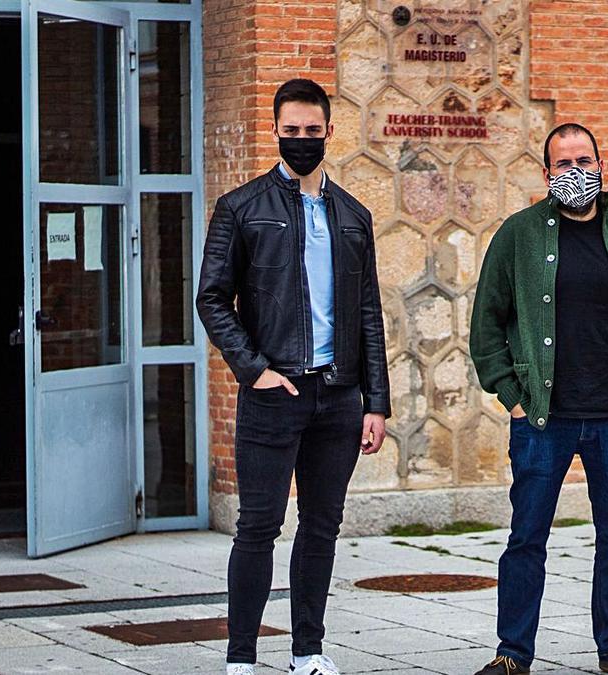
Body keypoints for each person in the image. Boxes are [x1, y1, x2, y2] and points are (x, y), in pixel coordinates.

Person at [197, 78, 391, 675]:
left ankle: (308, 650)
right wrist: (254, 372)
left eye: (313, 131)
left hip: (338, 396)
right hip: (273, 393)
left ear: (330, 131)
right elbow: (211, 299)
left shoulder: (354, 217)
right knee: (258, 526)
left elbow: (368, 313)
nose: (303, 140)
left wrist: (375, 402)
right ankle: (241, 659)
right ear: (276, 130)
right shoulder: (240, 207)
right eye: (292, 131)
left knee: (322, 528)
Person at [468, 123, 608, 675]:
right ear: (546, 174)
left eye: (584, 161)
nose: (574, 172)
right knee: (526, 538)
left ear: (601, 166)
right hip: (541, 419)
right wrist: (510, 395)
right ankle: (512, 653)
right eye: (563, 164)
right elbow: (486, 327)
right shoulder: (518, 235)